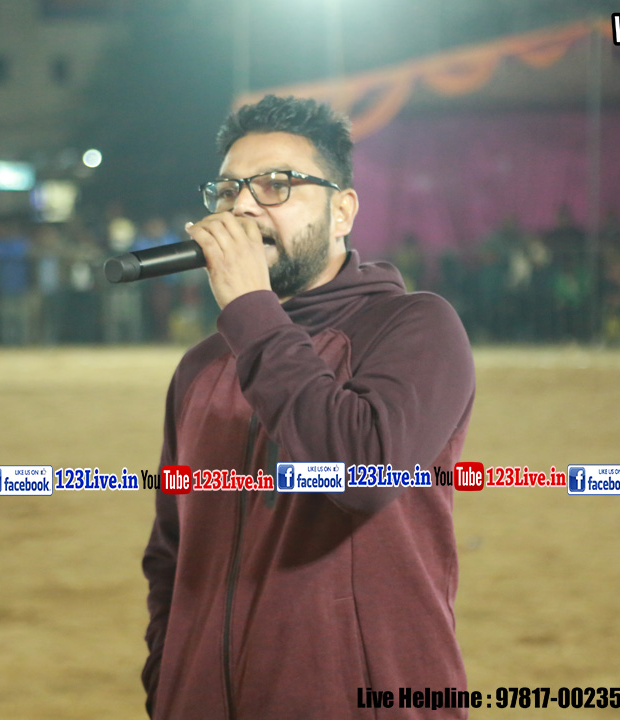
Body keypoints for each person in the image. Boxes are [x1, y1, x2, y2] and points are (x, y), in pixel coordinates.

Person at [141, 95, 475, 719]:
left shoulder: (415, 326)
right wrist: (170, 685)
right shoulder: (201, 367)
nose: (242, 208)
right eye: (227, 191)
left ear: (341, 210)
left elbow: (361, 472)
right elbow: (171, 555)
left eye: (276, 185)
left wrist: (251, 310)